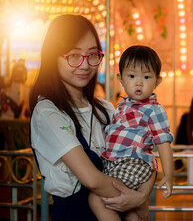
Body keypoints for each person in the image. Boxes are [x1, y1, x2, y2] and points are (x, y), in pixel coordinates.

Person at [29, 14, 155, 221]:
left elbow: (144, 155)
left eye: (92, 55)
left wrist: (140, 196)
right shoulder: (48, 112)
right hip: (76, 214)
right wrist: (138, 201)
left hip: (117, 209)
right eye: (73, 56)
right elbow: (91, 179)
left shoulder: (106, 109)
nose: (85, 65)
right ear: (53, 57)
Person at [89, 45, 174, 221]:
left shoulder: (154, 110)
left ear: (157, 81)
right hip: (115, 163)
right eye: (132, 76)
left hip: (132, 164)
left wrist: (168, 175)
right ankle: (138, 213)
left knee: (96, 198)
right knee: (128, 212)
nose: (139, 82)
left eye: (147, 77)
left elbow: (163, 143)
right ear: (121, 79)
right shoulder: (122, 105)